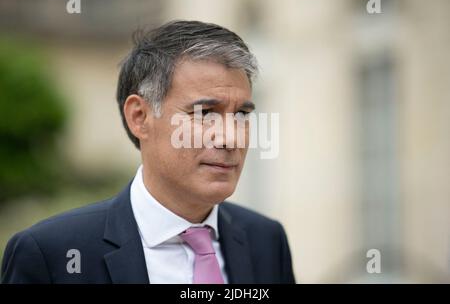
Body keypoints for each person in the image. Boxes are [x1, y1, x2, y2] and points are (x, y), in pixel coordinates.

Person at [1, 20, 295, 284]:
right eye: (205, 113)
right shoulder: (51, 253)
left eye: (242, 115)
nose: (230, 138)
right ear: (139, 117)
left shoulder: (266, 241)